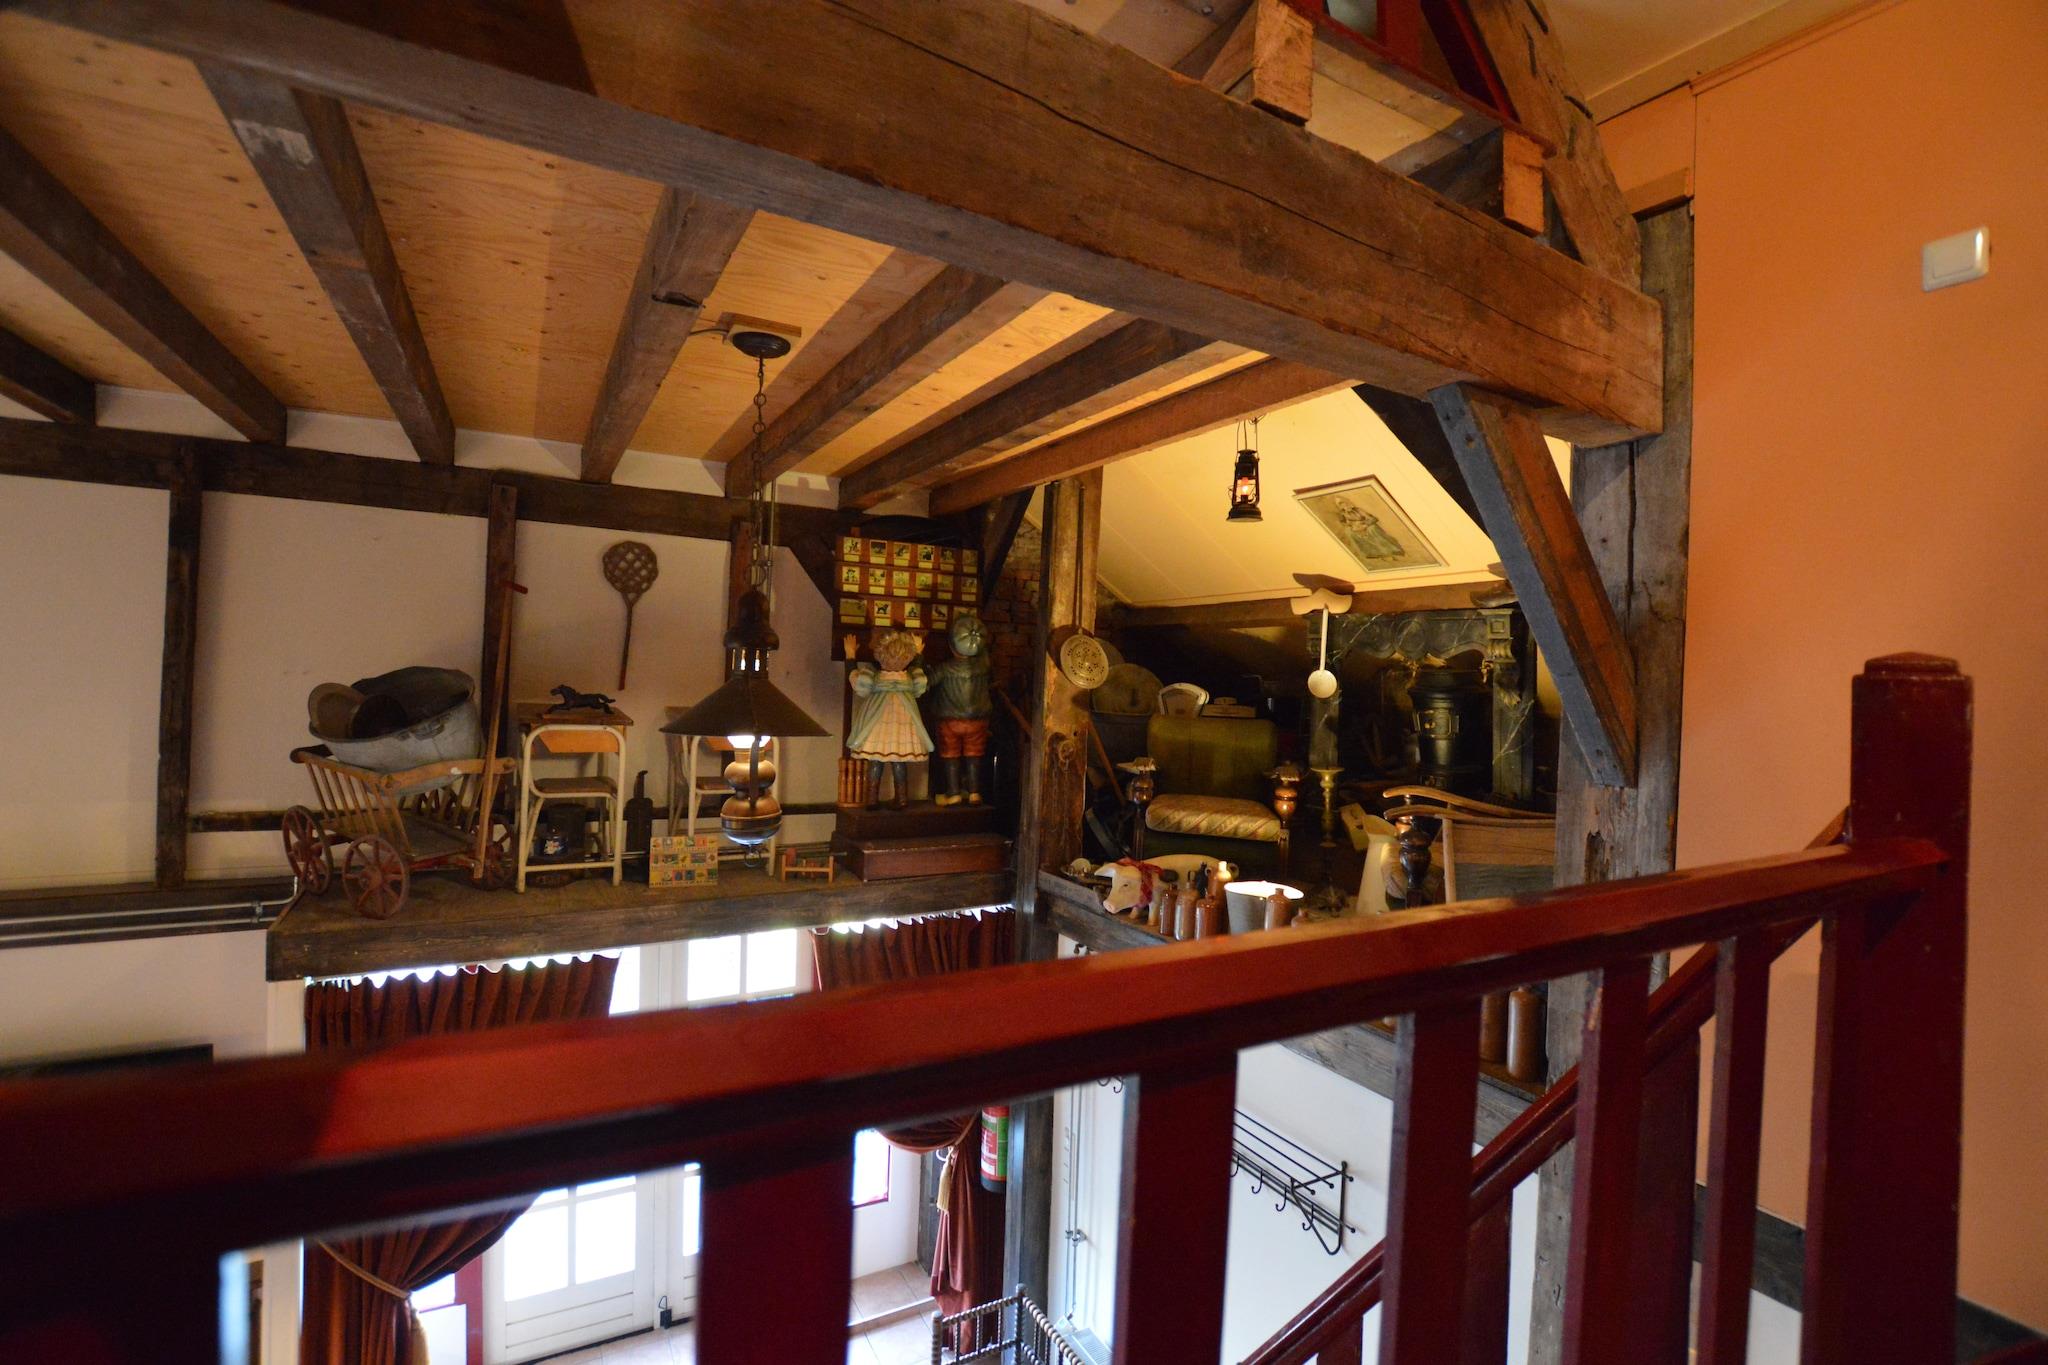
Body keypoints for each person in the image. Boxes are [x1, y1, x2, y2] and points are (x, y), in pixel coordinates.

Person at [846, 629, 932, 809]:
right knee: (898, 761)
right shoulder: (910, 678)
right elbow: (920, 684)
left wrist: (851, 656)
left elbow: (858, 684)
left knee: (875, 761)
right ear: (908, 657)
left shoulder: (874, 676)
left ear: (879, 654)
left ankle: (872, 799)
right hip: (902, 724)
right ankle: (901, 799)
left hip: (878, 724)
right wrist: (919, 654)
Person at [929, 610, 993, 805]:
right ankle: (974, 793)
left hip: (950, 721)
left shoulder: (945, 668)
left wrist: (919, 662)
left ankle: (954, 793)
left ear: (951, 645)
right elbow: (984, 653)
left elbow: (927, 683)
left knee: (951, 756)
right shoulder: (984, 667)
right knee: (974, 756)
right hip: (978, 720)